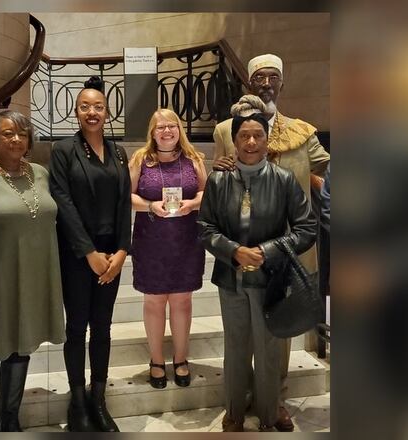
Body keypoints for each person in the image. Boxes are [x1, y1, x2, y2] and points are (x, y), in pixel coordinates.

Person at [212, 53, 330, 431]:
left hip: (289, 248)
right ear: (249, 83)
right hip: (241, 247)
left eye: (272, 77)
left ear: (282, 83)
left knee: (280, 328)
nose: (266, 83)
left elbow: (323, 174)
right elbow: (217, 183)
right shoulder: (225, 130)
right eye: (259, 77)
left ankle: (274, 399)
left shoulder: (302, 131)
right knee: (240, 335)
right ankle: (241, 396)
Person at [199, 112, 316, 432]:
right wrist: (233, 250)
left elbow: (307, 228)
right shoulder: (219, 180)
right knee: (236, 346)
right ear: (234, 142)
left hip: (271, 279)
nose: (251, 142)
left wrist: (267, 251)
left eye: (257, 136)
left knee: (268, 349)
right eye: (244, 136)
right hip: (231, 278)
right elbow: (205, 227)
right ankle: (234, 411)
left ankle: (269, 411)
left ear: (267, 141)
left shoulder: (283, 180)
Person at [0, 110, 65, 432]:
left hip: (33, 274)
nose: (17, 139)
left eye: (22, 133)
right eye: (8, 133)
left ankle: (9, 419)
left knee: (21, 342)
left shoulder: (40, 173)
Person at [49, 76, 131, 432]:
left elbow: (125, 201)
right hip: (78, 256)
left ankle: (99, 400)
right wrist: (89, 253)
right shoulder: (63, 151)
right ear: (76, 111)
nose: (92, 112)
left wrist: (123, 250)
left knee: (103, 328)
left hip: (112, 255)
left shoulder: (119, 151)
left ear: (107, 110)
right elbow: (62, 203)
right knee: (76, 328)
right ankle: (77, 401)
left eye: (98, 106)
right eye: (85, 106)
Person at [128, 109, 207, 389]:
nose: (166, 131)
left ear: (179, 130)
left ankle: (182, 359)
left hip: (185, 238)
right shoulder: (140, 160)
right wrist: (150, 206)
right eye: (160, 127)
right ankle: (157, 360)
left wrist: (191, 204)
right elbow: (128, 195)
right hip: (151, 239)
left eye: (171, 126)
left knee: (182, 301)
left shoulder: (194, 159)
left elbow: (204, 193)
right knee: (154, 301)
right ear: (152, 132)